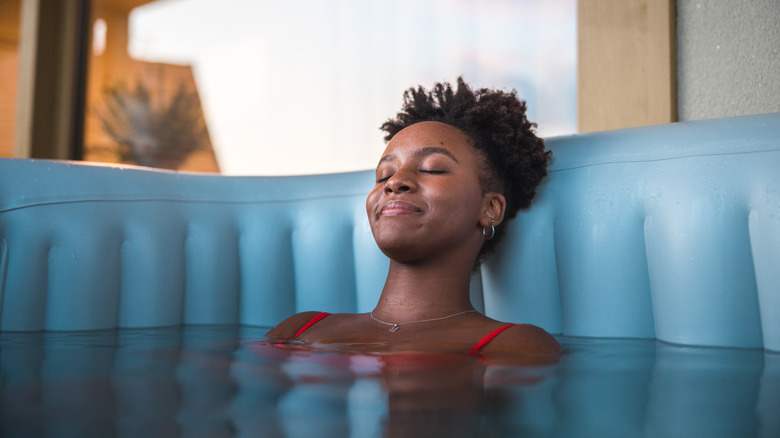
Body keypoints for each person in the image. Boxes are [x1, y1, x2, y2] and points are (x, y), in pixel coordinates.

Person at [266, 77, 561, 359]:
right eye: (384, 175)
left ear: (490, 209)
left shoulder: (514, 346)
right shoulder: (298, 330)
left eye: (433, 168)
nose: (395, 183)